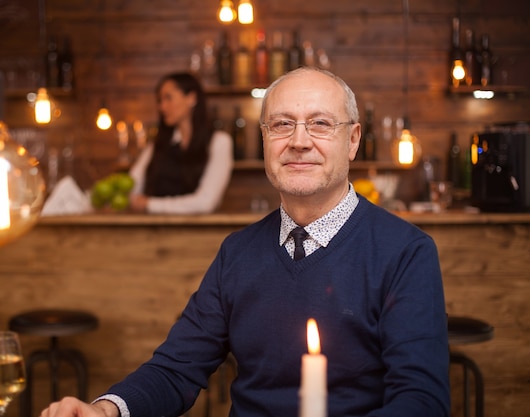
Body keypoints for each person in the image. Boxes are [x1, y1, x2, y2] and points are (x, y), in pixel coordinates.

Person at [41, 67, 450, 417]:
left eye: (321, 123)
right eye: (282, 124)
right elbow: (176, 369)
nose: (299, 141)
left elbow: (421, 401)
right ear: (265, 138)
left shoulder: (406, 252)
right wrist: (105, 410)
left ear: (353, 139)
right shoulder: (238, 252)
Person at [128, 72, 233, 214]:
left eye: (168, 98)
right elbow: (130, 186)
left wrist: (150, 204)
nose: (162, 107)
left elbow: (206, 202)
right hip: (152, 233)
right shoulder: (156, 145)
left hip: (198, 234)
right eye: (160, 100)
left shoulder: (219, 142)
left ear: (191, 98)